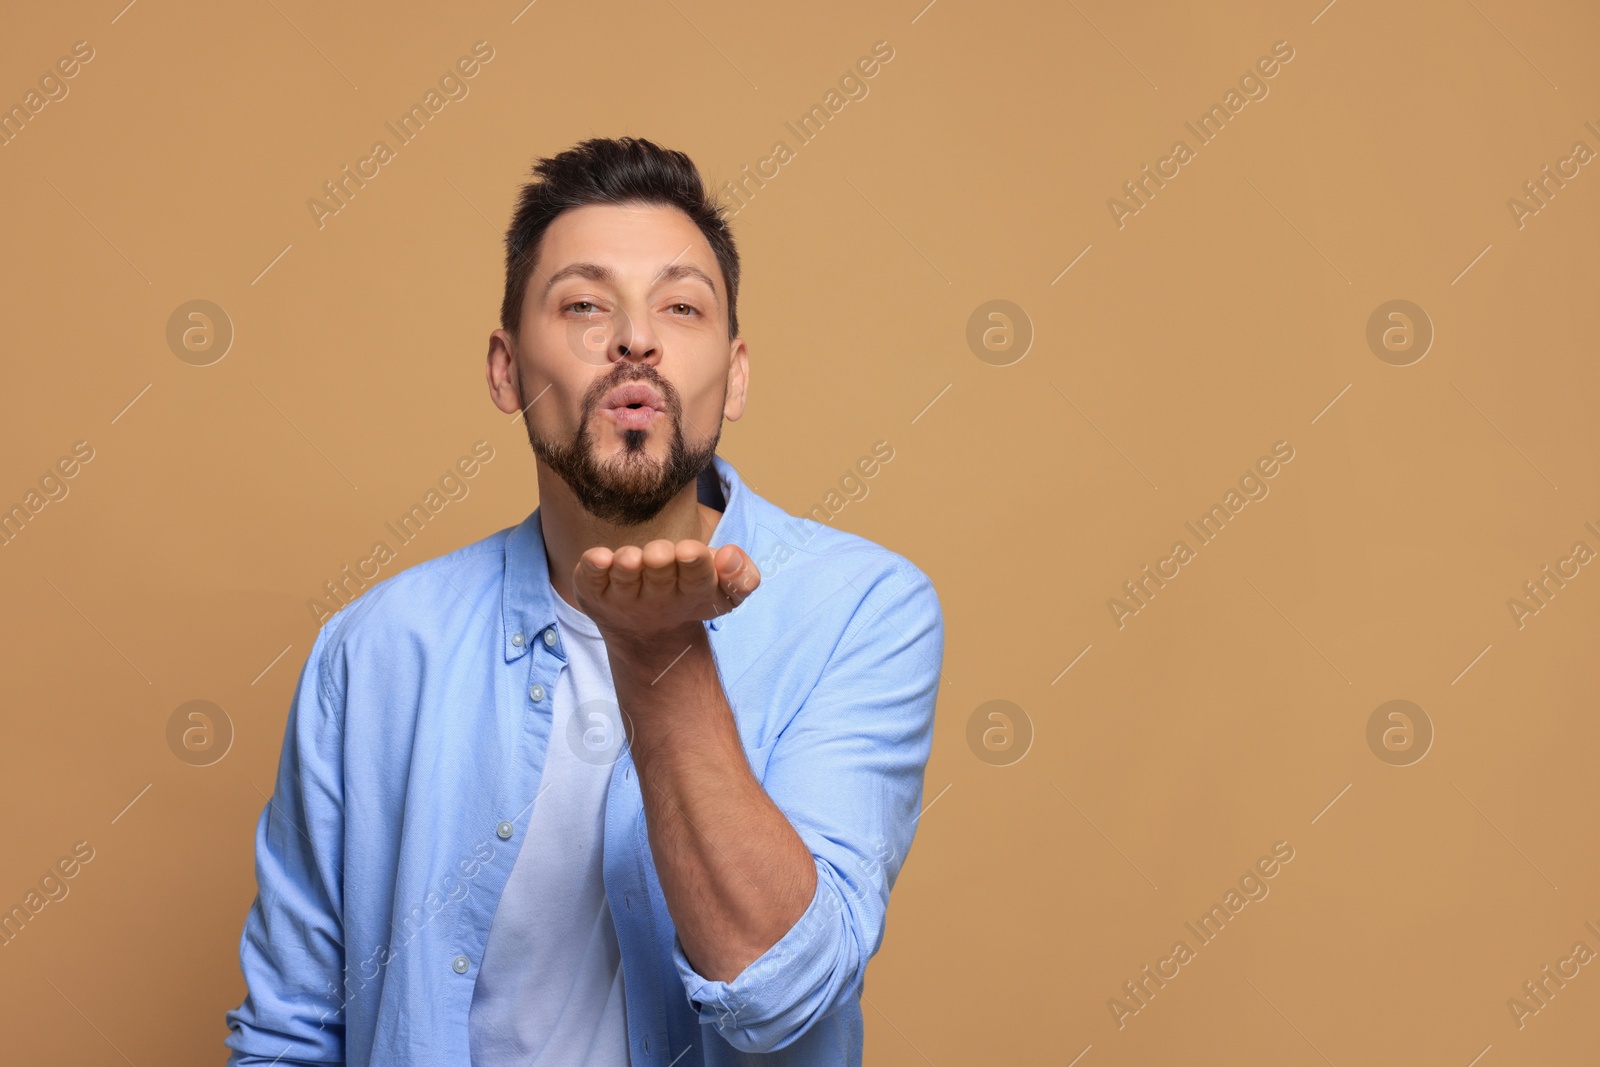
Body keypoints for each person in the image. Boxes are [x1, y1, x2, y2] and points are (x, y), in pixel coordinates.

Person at [224, 135, 944, 1066]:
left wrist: (661, 652)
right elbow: (289, 1034)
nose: (634, 338)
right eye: (584, 304)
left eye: (680, 306)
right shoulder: (375, 650)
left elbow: (784, 995)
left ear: (736, 373)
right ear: (504, 370)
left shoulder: (863, 608)